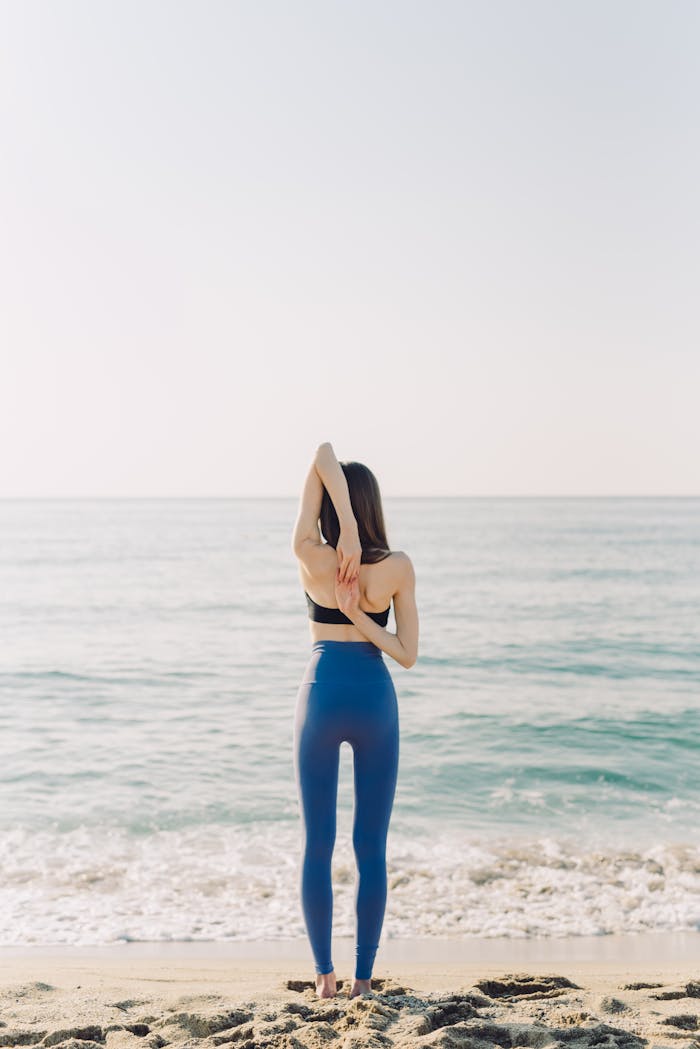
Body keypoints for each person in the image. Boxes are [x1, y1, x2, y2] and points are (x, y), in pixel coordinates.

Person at [291, 442, 419, 1000]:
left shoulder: (310, 556)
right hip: (374, 699)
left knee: (317, 843)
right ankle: (363, 983)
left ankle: (324, 979)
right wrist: (362, 616)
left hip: (319, 696)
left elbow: (321, 453)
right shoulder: (396, 568)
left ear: (338, 504)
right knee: (370, 846)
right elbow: (406, 653)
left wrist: (339, 532)